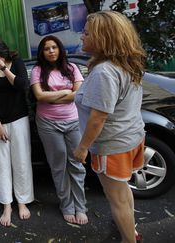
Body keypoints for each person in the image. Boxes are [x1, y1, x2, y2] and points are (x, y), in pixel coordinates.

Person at [73, 10, 146, 243]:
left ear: (102, 37)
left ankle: (128, 240)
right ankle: (130, 231)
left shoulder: (104, 71)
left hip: (112, 145)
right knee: (123, 193)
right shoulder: (127, 64)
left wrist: (83, 147)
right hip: (131, 137)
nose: (81, 36)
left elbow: (98, 118)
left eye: (86, 32)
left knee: (117, 200)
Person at [30, 35, 88, 225]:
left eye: (54, 47)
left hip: (73, 121)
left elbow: (77, 95)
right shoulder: (37, 70)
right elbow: (39, 96)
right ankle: (67, 206)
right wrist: (65, 92)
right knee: (58, 165)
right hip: (48, 123)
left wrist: (52, 96)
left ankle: (81, 206)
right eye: (47, 48)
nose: (51, 51)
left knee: (77, 163)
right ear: (42, 52)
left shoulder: (72, 68)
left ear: (60, 49)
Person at [0, 38, 34, 227]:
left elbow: (21, 85)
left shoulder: (16, 64)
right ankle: (7, 204)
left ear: (5, 55)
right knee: (0, 163)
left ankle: (22, 201)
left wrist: (4, 68)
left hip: (19, 117)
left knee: (21, 160)